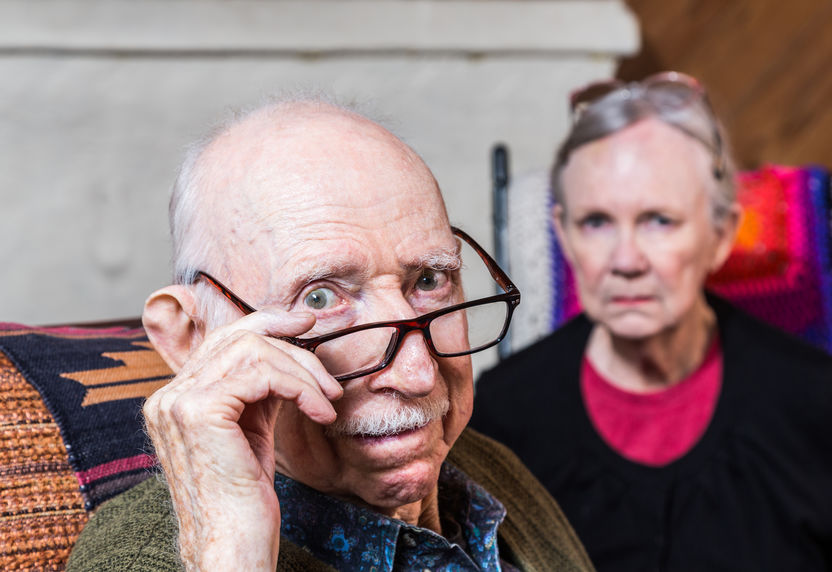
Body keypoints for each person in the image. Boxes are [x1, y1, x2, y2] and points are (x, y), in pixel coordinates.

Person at [66, 98, 594, 571]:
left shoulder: (489, 465)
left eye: (429, 281)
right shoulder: (136, 555)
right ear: (191, 337)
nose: (418, 373)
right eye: (319, 298)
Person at [470, 72, 832, 571]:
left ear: (722, 234)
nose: (626, 260)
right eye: (595, 222)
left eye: (659, 221)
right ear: (565, 235)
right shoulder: (503, 415)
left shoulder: (816, 401)